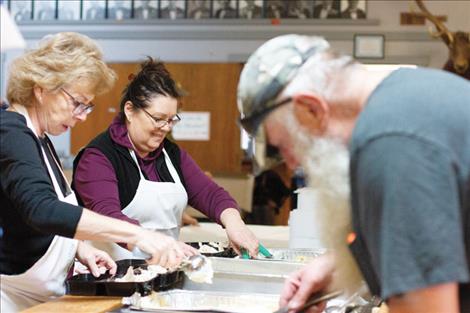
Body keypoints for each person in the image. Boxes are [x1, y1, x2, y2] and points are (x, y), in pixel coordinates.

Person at [237, 34, 470, 313]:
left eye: (287, 145)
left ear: (311, 108)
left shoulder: (390, 144)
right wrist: (338, 266)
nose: (291, 163)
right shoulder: (408, 96)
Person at [0, 32, 189, 312]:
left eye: (87, 105)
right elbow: (41, 210)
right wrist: (139, 235)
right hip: (12, 300)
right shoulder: (11, 132)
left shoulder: (39, 137)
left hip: (43, 296)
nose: (83, 115)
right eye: (77, 102)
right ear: (41, 88)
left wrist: (78, 249)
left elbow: (34, 221)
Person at [72, 57, 259, 261]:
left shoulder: (170, 154)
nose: (166, 128)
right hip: (111, 278)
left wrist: (235, 223)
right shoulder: (98, 158)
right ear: (129, 111)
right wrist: (154, 241)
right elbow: (107, 217)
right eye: (159, 119)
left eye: (172, 120)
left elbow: (210, 193)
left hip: (163, 272)